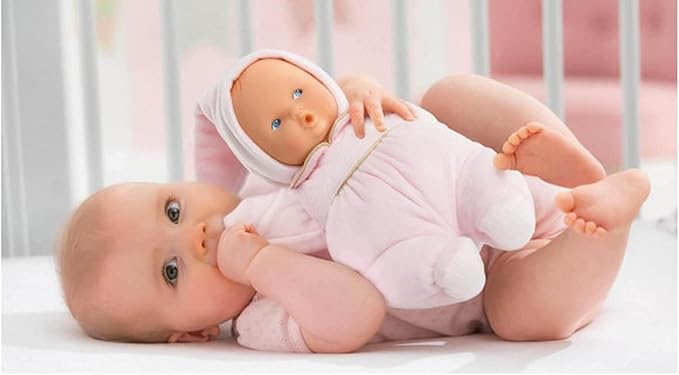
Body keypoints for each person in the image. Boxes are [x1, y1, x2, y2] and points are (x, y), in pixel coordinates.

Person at [57, 61, 650, 353]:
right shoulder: (263, 318)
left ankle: (565, 162)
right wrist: (261, 263)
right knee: (524, 319)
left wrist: (359, 93)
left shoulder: (266, 176)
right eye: (171, 270)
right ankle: (606, 211)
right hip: (492, 277)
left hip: (480, 175)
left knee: (444, 97)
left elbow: (324, 120)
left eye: (172, 211)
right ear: (193, 334)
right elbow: (356, 312)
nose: (193, 238)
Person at [199, 49, 541, 310]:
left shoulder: (358, 110)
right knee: (390, 263)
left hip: (447, 173)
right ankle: (443, 265)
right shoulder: (297, 194)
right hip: (411, 242)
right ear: (261, 157)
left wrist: (363, 88)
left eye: (299, 92)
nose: (300, 113)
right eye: (276, 124)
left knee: (465, 153)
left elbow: (358, 83)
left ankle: (498, 204)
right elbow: (268, 223)